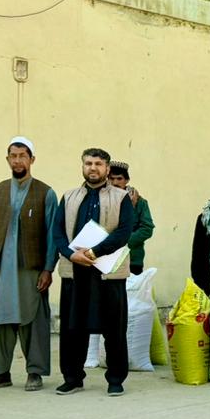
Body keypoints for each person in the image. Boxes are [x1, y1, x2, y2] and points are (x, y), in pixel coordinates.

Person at [0, 137, 58, 392]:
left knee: (33, 320)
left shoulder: (46, 193)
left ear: (32, 159)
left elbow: (52, 235)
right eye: (13, 155)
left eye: (23, 155)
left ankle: (35, 373)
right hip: (0, 270)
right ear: (7, 159)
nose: (18, 160)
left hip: (30, 270)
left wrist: (48, 268)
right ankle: (1, 374)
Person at [53, 148, 134, 396]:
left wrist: (94, 253)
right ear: (82, 166)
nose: (93, 168)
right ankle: (73, 377)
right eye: (88, 163)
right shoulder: (69, 197)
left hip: (107, 273)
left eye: (98, 163)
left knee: (114, 328)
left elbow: (124, 232)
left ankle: (115, 379)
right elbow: (56, 233)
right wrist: (71, 254)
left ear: (107, 169)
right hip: (75, 271)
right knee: (71, 328)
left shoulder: (121, 198)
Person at [107, 161, 155, 275]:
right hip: (105, 258)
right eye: (111, 179)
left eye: (119, 179)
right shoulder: (102, 200)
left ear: (127, 180)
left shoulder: (140, 202)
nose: (115, 182)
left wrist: (122, 242)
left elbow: (147, 229)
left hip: (132, 260)